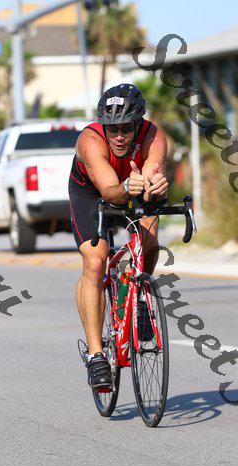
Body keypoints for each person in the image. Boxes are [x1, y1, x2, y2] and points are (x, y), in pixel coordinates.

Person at [68, 83, 169, 392]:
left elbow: (151, 174)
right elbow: (111, 192)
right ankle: (96, 355)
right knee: (95, 261)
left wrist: (155, 186)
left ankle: (139, 297)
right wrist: (128, 187)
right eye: (113, 129)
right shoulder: (90, 141)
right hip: (93, 192)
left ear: (138, 123)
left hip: (131, 185)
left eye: (126, 128)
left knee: (149, 236)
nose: (120, 136)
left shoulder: (153, 136)